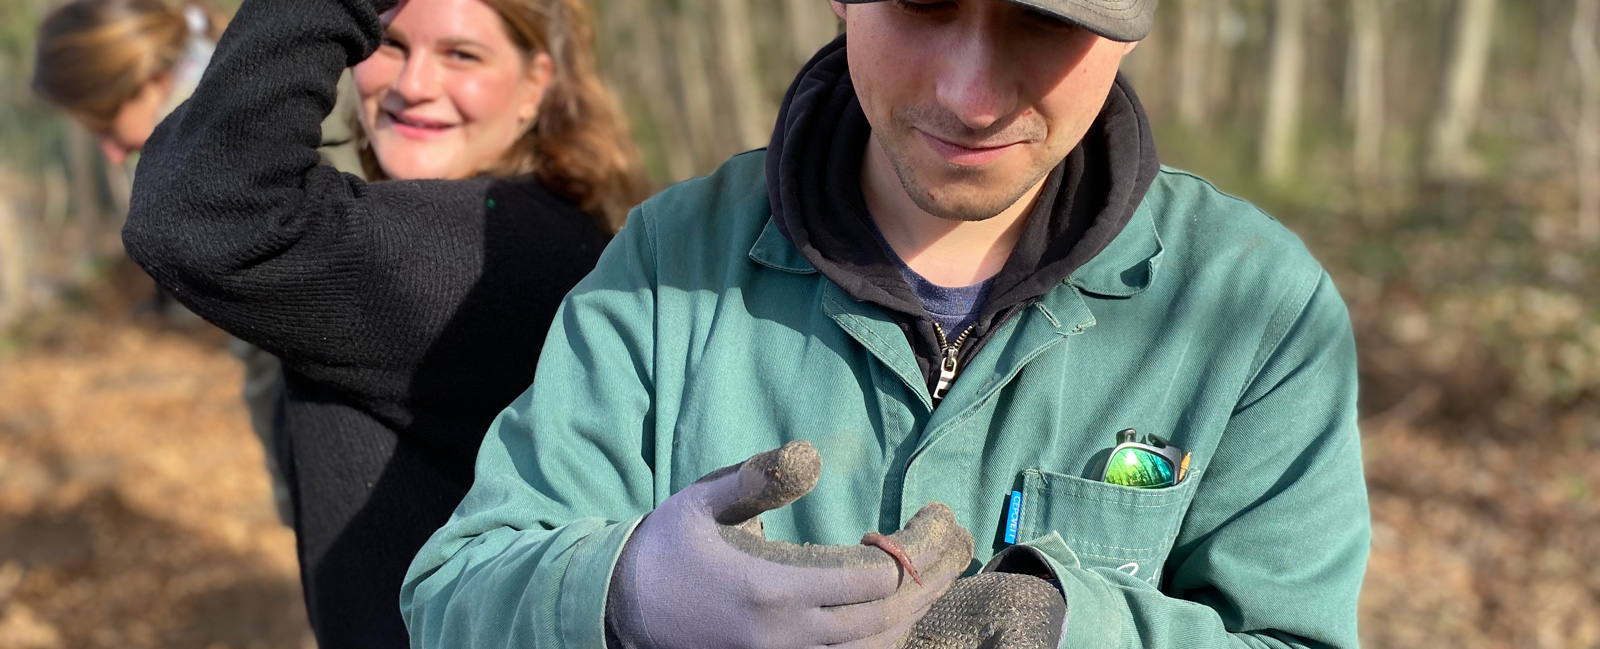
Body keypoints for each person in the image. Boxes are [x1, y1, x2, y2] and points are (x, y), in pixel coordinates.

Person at [402, 0, 1371, 647]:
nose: (970, 96)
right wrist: (622, 591)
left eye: (1041, 19)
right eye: (923, 2)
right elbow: (454, 590)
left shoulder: (1250, 306)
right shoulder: (672, 260)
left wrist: (1071, 625)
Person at [118, 0, 648, 644]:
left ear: (535, 85)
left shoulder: (488, 249)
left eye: (461, 55)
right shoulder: (543, 229)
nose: (412, 85)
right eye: (391, 45)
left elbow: (199, 211)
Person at [30, 0, 365, 528]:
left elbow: (307, 326)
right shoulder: (253, 95)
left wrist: (295, 498)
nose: (112, 153)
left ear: (146, 81)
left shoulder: (235, 147)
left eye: (103, 123)